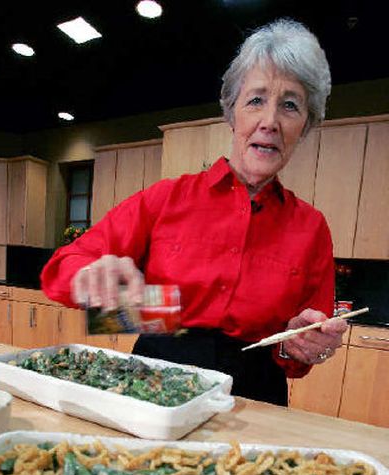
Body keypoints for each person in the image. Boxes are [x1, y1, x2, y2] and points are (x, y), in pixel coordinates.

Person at [41, 18, 348, 407]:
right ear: (232, 112)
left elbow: (296, 357)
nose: (270, 121)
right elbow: (62, 272)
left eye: (290, 105)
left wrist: (301, 346)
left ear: (305, 125)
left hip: (253, 396)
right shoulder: (165, 198)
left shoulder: (312, 228)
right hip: (153, 382)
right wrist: (95, 282)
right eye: (255, 100)